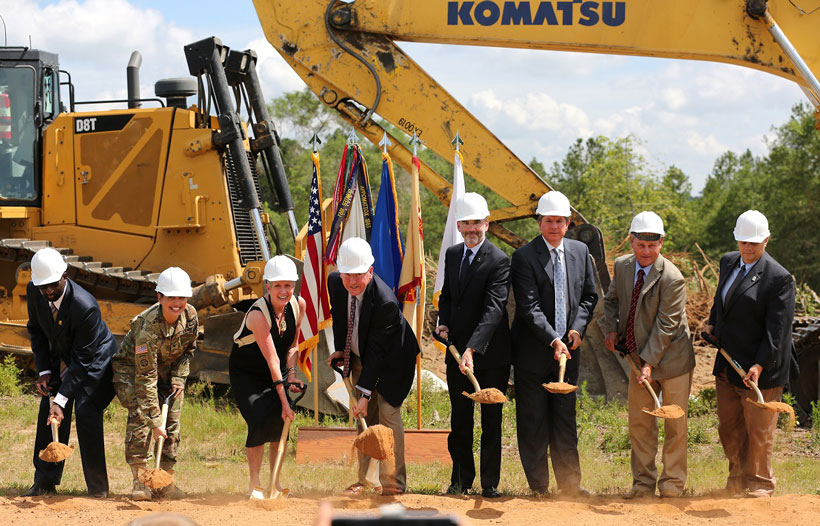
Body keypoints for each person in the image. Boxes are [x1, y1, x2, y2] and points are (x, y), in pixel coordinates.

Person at [599, 212, 695, 499]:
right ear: (631, 240)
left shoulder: (673, 278)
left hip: (673, 359)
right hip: (639, 359)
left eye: (652, 246)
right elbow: (612, 301)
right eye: (641, 245)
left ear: (661, 243)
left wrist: (650, 364)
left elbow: (667, 325)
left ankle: (672, 485)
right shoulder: (623, 266)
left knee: (674, 423)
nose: (646, 252)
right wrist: (611, 330)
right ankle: (642, 484)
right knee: (641, 423)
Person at [510, 191, 597, 497]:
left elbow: (588, 296)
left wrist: (576, 329)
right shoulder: (523, 257)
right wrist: (553, 339)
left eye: (560, 221)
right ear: (539, 223)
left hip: (568, 356)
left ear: (568, 223)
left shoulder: (580, 252)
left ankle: (570, 486)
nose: (554, 227)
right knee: (533, 421)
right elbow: (529, 308)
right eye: (548, 221)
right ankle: (539, 487)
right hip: (534, 353)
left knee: (565, 421)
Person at [705, 210, 798, 498]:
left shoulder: (779, 278)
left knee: (758, 430)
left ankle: (760, 483)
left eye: (754, 243)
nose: (747, 248)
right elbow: (722, 299)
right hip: (728, 361)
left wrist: (759, 364)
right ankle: (736, 477)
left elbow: (778, 330)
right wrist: (712, 322)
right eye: (743, 242)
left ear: (766, 240)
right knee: (729, 426)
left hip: (762, 367)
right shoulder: (728, 261)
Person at [327, 237, 420, 496]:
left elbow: (379, 352)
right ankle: (365, 481)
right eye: (347, 275)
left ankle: (392, 482)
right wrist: (340, 349)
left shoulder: (385, 301)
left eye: (359, 275)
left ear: (370, 271)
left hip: (393, 361)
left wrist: (365, 394)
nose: (352, 282)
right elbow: (339, 316)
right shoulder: (335, 282)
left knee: (388, 416)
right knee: (363, 419)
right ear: (339, 272)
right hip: (360, 354)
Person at [434, 192, 512, 498]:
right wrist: (443, 321)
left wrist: (472, 349)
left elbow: (494, 310)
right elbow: (449, 295)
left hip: (490, 355)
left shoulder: (499, 260)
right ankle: (461, 480)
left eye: (477, 223)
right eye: (466, 223)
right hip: (457, 354)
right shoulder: (453, 254)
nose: (471, 229)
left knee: (490, 422)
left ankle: (490, 483)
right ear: (459, 224)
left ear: (487, 224)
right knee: (460, 420)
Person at [24, 247, 117, 497]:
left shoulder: (85, 306)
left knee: (86, 409)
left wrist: (62, 401)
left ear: (65, 275)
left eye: (53, 285)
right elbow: (36, 330)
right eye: (43, 287)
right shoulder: (35, 291)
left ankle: (98, 489)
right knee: (49, 407)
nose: (48, 291)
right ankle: (44, 482)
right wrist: (44, 371)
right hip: (63, 354)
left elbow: (83, 360)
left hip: (95, 357)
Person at [112, 267, 199, 501]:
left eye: (181, 297)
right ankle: (141, 482)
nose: (177, 303)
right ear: (159, 298)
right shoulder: (147, 329)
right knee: (142, 417)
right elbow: (145, 378)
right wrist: (153, 419)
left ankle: (165, 481)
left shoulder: (190, 316)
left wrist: (179, 377)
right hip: (133, 373)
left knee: (172, 423)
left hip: (168, 372)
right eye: (171, 297)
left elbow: (188, 350)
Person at [229, 256, 306, 496]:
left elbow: (293, 346)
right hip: (248, 373)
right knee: (260, 417)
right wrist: (284, 401)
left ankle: (275, 482)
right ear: (267, 286)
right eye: (278, 286)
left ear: (294, 285)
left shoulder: (298, 305)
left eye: (288, 285)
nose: (284, 291)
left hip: (276, 370)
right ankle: (255, 483)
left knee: (280, 422)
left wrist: (291, 374)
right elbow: (272, 359)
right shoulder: (257, 315)